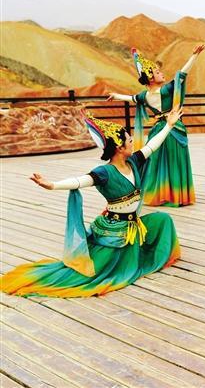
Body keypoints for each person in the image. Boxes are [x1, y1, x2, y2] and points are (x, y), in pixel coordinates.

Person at [1, 108, 183, 297]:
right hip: (115, 230)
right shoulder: (104, 172)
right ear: (119, 147)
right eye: (129, 141)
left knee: (163, 220)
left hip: (132, 225)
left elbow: (152, 146)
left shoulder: (133, 162)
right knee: (98, 270)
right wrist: (52, 185)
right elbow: (80, 181)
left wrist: (169, 126)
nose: (133, 143)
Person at [108, 44, 205, 206]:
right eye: (158, 72)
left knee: (156, 162)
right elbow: (182, 74)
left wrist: (116, 95)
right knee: (174, 161)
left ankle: (157, 193)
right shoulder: (166, 91)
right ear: (151, 78)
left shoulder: (144, 96)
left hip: (158, 130)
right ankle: (176, 195)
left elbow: (131, 98)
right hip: (173, 128)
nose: (162, 73)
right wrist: (194, 55)